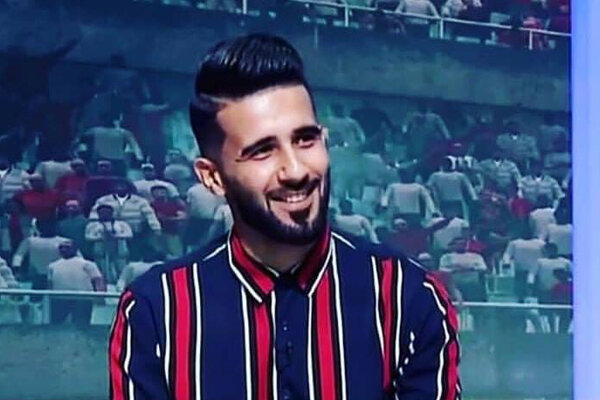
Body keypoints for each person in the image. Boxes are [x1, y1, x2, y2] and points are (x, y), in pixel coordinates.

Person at [109, 34, 460, 400]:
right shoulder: (155, 312)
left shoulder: (408, 297)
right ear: (213, 177)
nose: (296, 170)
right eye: (262, 151)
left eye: (305, 140)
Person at [48, 240, 105, 325]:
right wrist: (50, 299)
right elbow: (50, 284)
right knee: (58, 325)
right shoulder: (52, 266)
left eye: (67, 247)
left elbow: (98, 281)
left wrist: (100, 297)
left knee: (82, 324)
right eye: (61, 247)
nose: (64, 249)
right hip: (60, 299)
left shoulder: (88, 264)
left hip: (82, 299)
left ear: (75, 249)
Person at [85, 204, 133, 283]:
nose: (105, 214)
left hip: (119, 253)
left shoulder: (122, 224)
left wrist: (116, 236)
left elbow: (129, 235)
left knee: (122, 271)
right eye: (102, 212)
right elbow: (88, 237)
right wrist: (101, 237)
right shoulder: (93, 225)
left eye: (107, 212)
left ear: (111, 213)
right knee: (102, 272)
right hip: (101, 254)